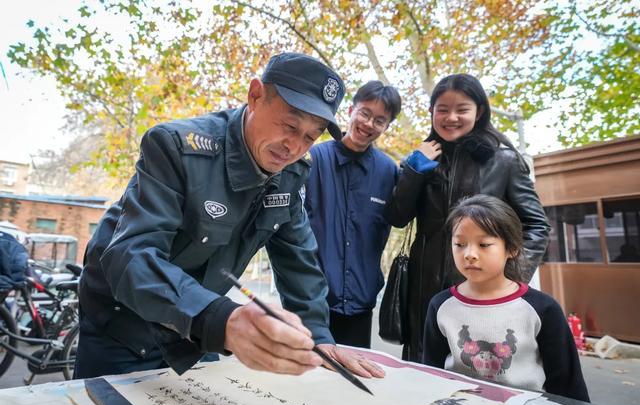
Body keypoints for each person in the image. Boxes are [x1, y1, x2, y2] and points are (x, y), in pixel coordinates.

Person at [75, 52, 385, 381]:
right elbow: (131, 256)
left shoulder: (292, 173)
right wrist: (223, 321)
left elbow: (300, 265)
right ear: (255, 96)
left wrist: (319, 340)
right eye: (290, 125)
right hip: (123, 324)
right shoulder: (176, 147)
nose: (293, 146)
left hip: (199, 330)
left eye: (310, 136)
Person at [384, 73, 550, 362]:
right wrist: (414, 170)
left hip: (483, 292)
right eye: (442, 110)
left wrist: (510, 277)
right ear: (432, 112)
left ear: (479, 112)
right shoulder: (422, 159)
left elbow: (536, 225)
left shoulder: (504, 161)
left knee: (476, 371)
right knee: (424, 372)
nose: (451, 117)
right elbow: (398, 216)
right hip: (423, 293)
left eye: (462, 109)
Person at [422, 195, 590, 402]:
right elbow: (431, 373)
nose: (469, 254)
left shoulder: (542, 309)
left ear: (512, 248)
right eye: (460, 244)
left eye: (484, 244)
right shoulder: (440, 305)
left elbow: (568, 385)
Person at [304, 81, 401, 348]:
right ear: (351, 110)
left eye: (380, 120)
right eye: (365, 113)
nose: (369, 124)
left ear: (386, 126)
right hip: (312, 301)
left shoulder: (388, 172)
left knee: (352, 380)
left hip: (360, 301)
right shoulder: (313, 159)